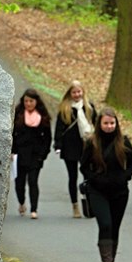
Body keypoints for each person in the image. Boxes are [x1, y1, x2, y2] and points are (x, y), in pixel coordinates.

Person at [80, 107, 132, 262]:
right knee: (105, 224)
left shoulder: (124, 142)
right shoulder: (92, 142)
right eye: (106, 123)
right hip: (98, 191)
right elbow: (83, 166)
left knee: (115, 228)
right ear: (100, 124)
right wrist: (95, 179)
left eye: (112, 123)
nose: (109, 126)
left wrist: (124, 177)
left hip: (119, 192)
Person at [54, 80, 97, 218]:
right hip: (70, 147)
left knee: (88, 176)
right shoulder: (65, 109)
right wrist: (58, 145)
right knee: (72, 177)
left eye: (79, 91)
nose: (77, 94)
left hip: (86, 146)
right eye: (74, 92)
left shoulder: (89, 107)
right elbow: (59, 128)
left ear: (83, 92)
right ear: (70, 93)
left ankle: (89, 204)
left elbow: (96, 124)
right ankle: (75, 206)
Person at [11, 88, 52, 219]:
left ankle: (34, 209)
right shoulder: (17, 115)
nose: (28, 104)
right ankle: (21, 202)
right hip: (19, 155)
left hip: (36, 155)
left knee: (33, 181)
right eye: (26, 101)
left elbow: (47, 138)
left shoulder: (43, 117)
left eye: (31, 101)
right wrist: (12, 151)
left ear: (36, 102)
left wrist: (43, 155)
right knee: (19, 183)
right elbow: (11, 135)